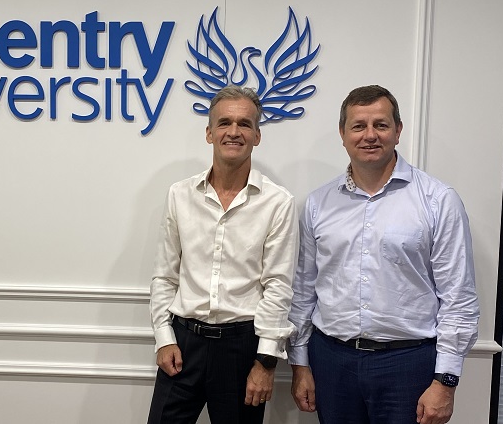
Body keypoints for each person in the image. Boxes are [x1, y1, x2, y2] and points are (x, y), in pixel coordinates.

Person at [288, 85, 479, 424]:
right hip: (332, 362)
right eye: (358, 126)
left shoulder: (438, 200)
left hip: (408, 365)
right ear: (343, 134)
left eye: (381, 124)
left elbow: (458, 297)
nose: (370, 135)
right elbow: (304, 291)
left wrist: (446, 381)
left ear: (398, 130)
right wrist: (300, 363)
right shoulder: (318, 203)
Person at [147, 85, 298, 424]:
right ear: (209, 132)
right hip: (183, 343)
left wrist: (265, 362)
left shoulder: (277, 202)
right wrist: (163, 338)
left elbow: (278, 286)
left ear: (257, 135)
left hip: (241, 349)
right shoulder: (180, 194)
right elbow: (165, 275)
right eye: (225, 122)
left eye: (245, 124)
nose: (234, 131)